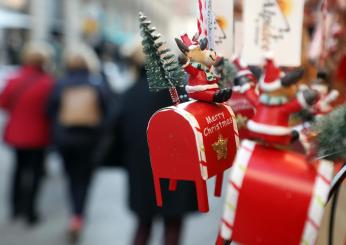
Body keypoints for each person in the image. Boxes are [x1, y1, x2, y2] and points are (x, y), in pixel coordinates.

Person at [113, 42, 197, 245]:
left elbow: (116, 132)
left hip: (141, 168)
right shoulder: (179, 93)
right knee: (173, 226)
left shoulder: (128, 94)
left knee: (143, 225)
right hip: (177, 169)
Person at [47, 43, 110, 241]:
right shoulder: (97, 83)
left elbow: (50, 110)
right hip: (89, 141)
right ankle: (79, 215)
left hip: (65, 140)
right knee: (84, 179)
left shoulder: (61, 83)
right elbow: (108, 110)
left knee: (71, 177)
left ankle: (74, 214)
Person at [0, 41, 54, 225]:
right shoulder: (48, 83)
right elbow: (53, 110)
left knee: (18, 170)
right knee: (36, 173)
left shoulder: (14, 80)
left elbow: (3, 103)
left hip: (16, 135)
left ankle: (16, 208)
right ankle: (31, 212)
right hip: (39, 136)